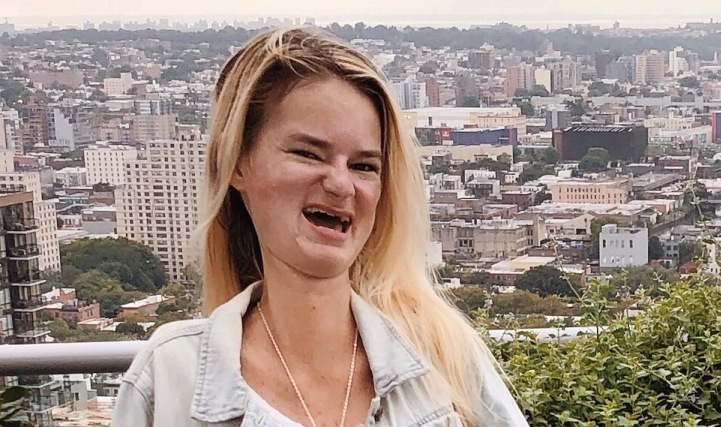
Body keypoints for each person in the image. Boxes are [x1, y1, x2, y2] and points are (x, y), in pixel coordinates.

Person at [112, 27, 528, 426]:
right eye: (309, 154)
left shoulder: (442, 358)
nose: (341, 184)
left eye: (364, 166)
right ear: (237, 163)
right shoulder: (170, 380)